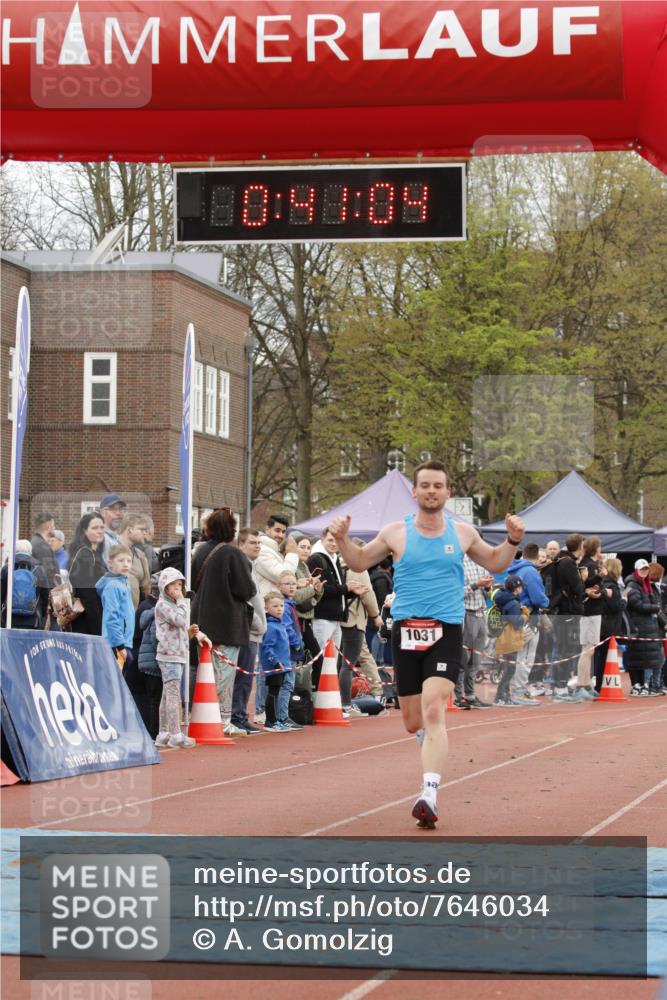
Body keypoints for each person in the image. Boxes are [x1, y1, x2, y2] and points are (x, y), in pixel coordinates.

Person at [329, 460, 525, 830]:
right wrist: (341, 538)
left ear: (448, 493)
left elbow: (497, 562)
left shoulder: (462, 533)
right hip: (406, 630)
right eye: (425, 486)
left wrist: (513, 540)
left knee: (435, 709)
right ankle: (428, 748)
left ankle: (429, 793)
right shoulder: (395, 533)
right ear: (415, 492)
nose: (432, 491)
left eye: (438, 485)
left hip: (446, 630)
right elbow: (357, 560)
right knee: (412, 721)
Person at [190, 508, 257, 738]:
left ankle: (202, 716)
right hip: (227, 622)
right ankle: (222, 719)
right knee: (224, 675)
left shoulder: (199, 552)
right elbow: (246, 589)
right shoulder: (233, 554)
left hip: (201, 618)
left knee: (204, 671)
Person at [154, 567, 210, 749]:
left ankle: (164, 733)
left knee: (167, 694)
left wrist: (190, 633)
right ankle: (176, 734)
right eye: (173, 586)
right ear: (165, 587)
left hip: (177, 653)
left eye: (180, 585)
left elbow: (179, 628)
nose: (178, 589)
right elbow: (180, 620)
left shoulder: (174, 605)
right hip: (169, 655)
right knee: (172, 695)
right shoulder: (163, 605)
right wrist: (182, 602)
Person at [339, 539, 384, 717]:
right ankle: (348, 704)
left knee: (338, 663)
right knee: (349, 664)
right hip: (353, 620)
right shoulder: (358, 569)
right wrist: (375, 616)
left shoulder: (336, 565)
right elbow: (368, 595)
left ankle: (336, 701)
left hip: (337, 620)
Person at [231, 528, 267, 734]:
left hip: (254, 629)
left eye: (259, 543)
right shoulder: (241, 566)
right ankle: (237, 716)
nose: (257, 546)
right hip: (247, 630)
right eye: (253, 542)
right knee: (242, 677)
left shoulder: (252, 566)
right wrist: (256, 622)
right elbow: (244, 599)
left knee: (247, 677)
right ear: (241, 544)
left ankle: (240, 714)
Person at [507, 542, 549, 703]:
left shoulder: (513, 567)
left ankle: (513, 690)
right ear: (538, 557)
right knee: (526, 657)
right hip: (528, 617)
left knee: (518, 656)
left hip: (515, 616)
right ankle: (518, 691)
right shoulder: (531, 572)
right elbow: (539, 598)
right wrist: (546, 602)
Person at [549, 534, 586, 702]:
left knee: (564, 649)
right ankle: (561, 688)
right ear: (579, 546)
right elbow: (578, 587)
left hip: (563, 610)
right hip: (566, 611)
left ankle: (562, 686)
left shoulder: (561, 559)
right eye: (583, 545)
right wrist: (583, 581)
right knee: (565, 649)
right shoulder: (568, 562)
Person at [456, 556, 494, 709]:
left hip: (480, 614)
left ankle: (470, 695)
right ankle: (459, 697)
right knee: (462, 659)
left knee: (475, 659)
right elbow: (456, 592)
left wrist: (487, 587)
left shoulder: (482, 562)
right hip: (466, 613)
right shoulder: (459, 562)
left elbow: (488, 593)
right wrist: (476, 585)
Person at [625, 559, 665, 696]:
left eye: (646, 569)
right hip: (639, 626)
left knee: (653, 658)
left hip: (650, 626)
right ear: (636, 570)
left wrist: (655, 609)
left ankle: (652, 684)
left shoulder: (647, 585)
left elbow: (653, 602)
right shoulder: (632, 585)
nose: (644, 571)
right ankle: (642, 685)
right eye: (642, 569)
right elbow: (637, 605)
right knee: (642, 658)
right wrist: (654, 608)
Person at [274, 570, 306, 730]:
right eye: (287, 584)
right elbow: (287, 628)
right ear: (279, 586)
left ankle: (280, 716)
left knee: (285, 684)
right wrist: (297, 644)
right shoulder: (285, 606)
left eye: (294, 583)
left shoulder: (290, 604)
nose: (292, 586)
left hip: (290, 650)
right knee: (287, 684)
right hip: (288, 651)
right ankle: (282, 716)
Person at [96, 544, 135, 668]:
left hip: (124, 642)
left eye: (129, 561)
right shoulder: (112, 586)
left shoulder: (124, 583)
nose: (125, 564)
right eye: (121, 560)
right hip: (116, 645)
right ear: (110, 563)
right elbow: (111, 617)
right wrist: (120, 645)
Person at [492, 576, 529, 707]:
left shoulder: (504, 598)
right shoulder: (513, 603)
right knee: (509, 670)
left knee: (508, 669)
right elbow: (517, 623)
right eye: (521, 587)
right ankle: (501, 696)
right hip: (510, 638)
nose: (522, 589)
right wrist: (525, 614)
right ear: (516, 588)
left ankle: (505, 696)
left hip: (504, 637)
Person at [68, 512, 107, 636]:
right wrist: (98, 628)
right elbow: (87, 594)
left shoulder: (94, 553)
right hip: (87, 619)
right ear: (84, 531)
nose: (100, 531)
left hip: (91, 615)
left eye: (102, 527)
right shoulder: (84, 554)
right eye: (94, 528)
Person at [259, 590, 292, 732]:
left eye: (281, 605)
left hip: (283, 665)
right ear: (266, 608)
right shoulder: (271, 626)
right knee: (273, 692)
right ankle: (270, 721)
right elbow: (267, 647)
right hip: (275, 666)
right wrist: (275, 661)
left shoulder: (280, 624)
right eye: (275, 606)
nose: (279, 609)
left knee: (277, 692)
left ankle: (276, 719)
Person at [0, 540, 49, 629]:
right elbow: (45, 596)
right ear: (30, 551)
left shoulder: (7, 568)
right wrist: (43, 613)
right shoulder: (39, 569)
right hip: (33, 619)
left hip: (9, 619)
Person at [593, 558, 624, 693]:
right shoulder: (611, 585)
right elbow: (615, 606)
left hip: (603, 624)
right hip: (608, 625)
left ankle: (599, 684)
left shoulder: (605, 583)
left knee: (601, 656)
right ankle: (599, 685)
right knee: (603, 657)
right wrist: (624, 601)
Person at [255, 515, 300, 596]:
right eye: (277, 530)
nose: (281, 535)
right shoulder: (261, 551)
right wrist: (292, 553)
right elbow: (284, 577)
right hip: (266, 605)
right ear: (267, 529)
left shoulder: (275, 551)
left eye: (283, 532)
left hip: (275, 604)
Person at [118, 514, 150, 609]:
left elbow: (146, 589)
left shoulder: (140, 555)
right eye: (141, 529)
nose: (145, 533)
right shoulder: (110, 551)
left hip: (132, 615)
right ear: (130, 529)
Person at [30, 511, 59, 588]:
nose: (55, 528)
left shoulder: (36, 542)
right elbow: (47, 576)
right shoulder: (42, 547)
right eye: (53, 525)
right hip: (44, 597)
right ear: (48, 528)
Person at [99, 494, 127, 561]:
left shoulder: (118, 538)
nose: (118, 513)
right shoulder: (100, 539)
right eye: (113, 509)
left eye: (121, 509)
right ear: (103, 513)